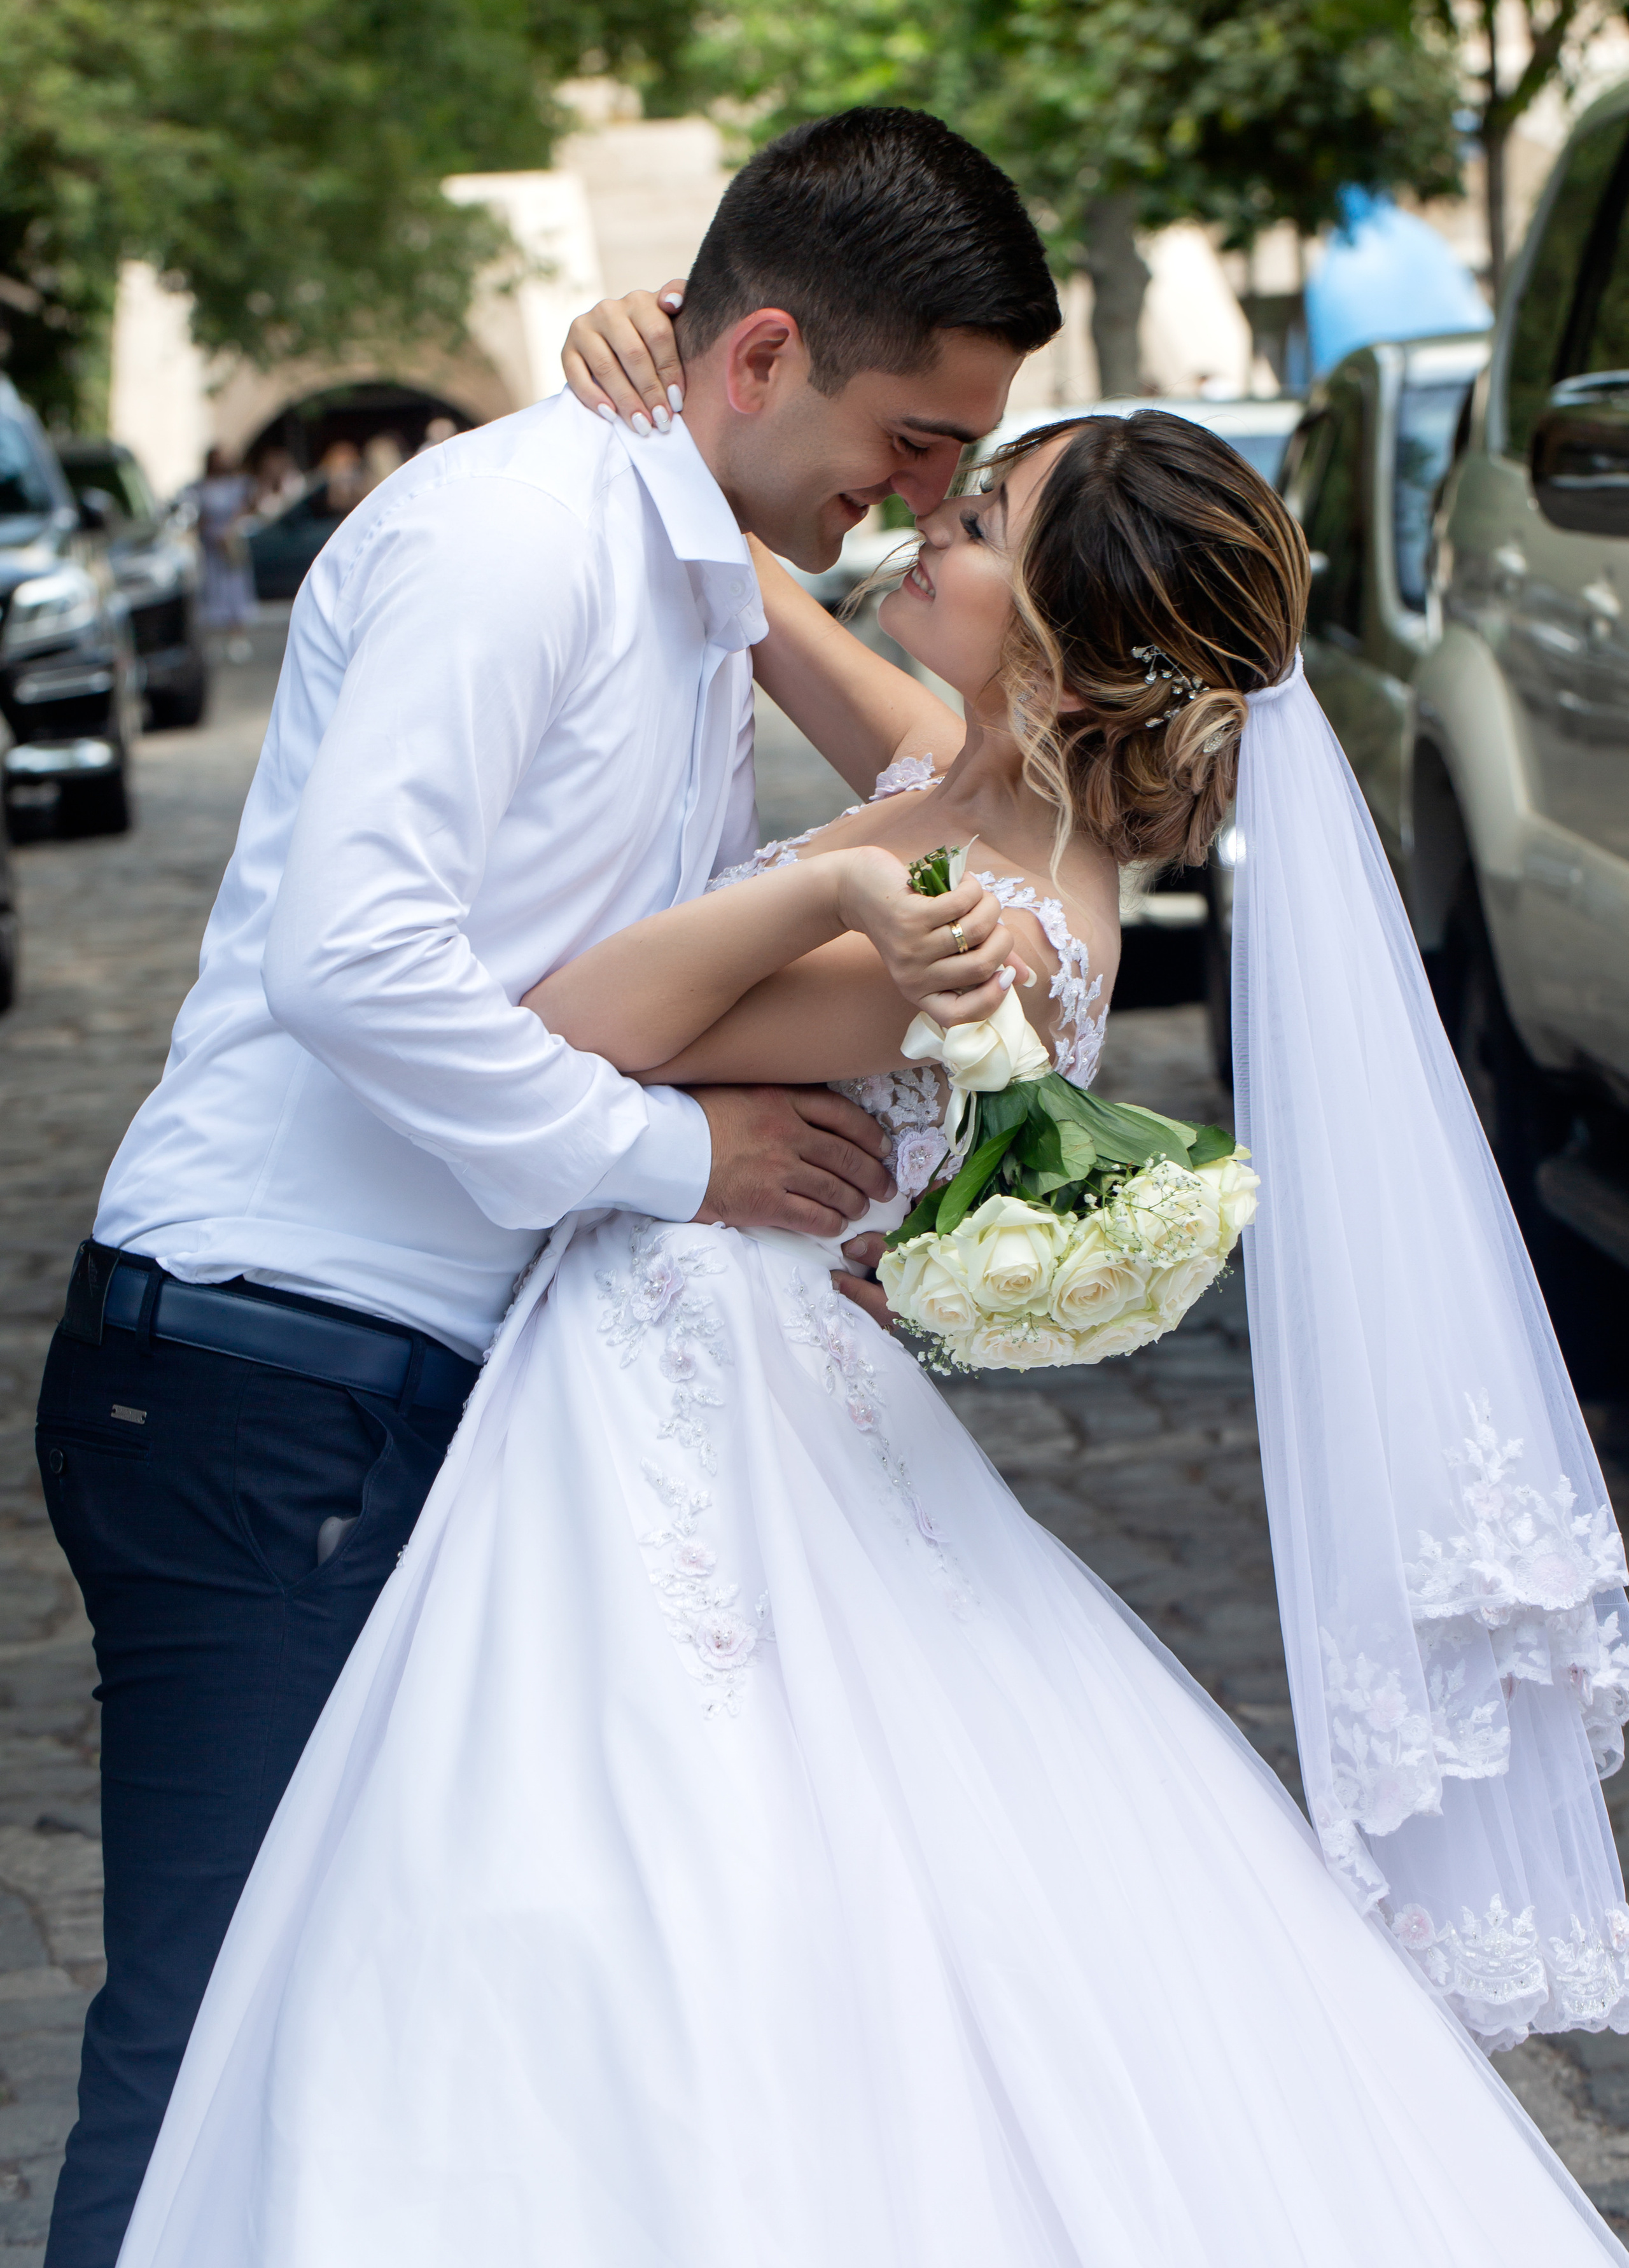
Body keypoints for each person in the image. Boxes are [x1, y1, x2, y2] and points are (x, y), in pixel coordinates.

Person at [113, 390, 1627, 2256]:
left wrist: (827, 883)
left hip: (692, 1391)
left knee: (633, 1886)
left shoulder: (986, 929)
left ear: (1073, 653)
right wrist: (646, 374)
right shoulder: (956, 767)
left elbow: (567, 1019)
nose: (925, 525)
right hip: (708, 1364)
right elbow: (745, 572)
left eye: (981, 522)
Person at [34, 109, 1061, 2267]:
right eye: (914, 439)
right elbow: (357, 962)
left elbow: (932, 782)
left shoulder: (676, 550)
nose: (931, 499)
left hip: (416, 1375)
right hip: (267, 1369)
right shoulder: (523, 538)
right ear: (767, 350)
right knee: (219, 2032)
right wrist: (670, 1153)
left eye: (965, 464)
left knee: (356, 2030)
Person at [186, 446, 256, 662]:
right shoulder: (200, 488)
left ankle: (237, 637)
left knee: (235, 588)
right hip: (211, 548)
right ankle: (214, 641)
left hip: (231, 544)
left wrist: (231, 529)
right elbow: (197, 516)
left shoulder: (238, 485)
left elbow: (249, 507)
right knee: (212, 592)